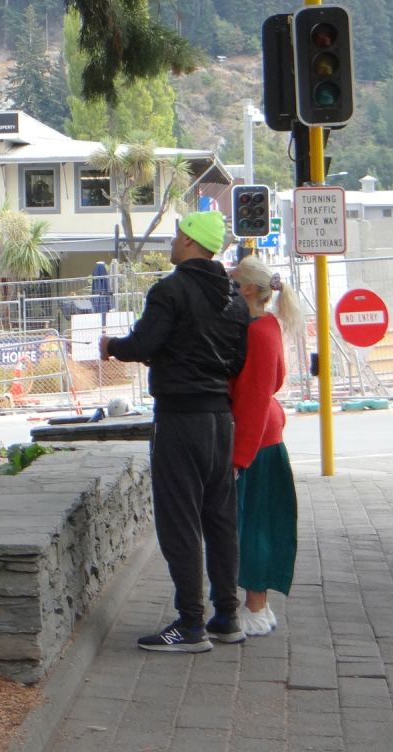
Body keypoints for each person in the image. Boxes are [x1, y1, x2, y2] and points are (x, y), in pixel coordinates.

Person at [100, 209, 248, 653]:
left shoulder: (170, 290)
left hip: (180, 419)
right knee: (220, 519)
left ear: (189, 242)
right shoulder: (235, 299)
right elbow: (236, 362)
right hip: (220, 420)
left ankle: (189, 625)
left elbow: (143, 344)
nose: (172, 240)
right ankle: (227, 615)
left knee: (179, 520)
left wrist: (112, 347)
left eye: (177, 234)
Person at [226, 255, 301, 637]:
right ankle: (260, 604)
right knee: (264, 522)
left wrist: (240, 456)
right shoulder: (268, 326)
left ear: (250, 289)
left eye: (234, 281)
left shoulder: (255, 332)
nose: (229, 286)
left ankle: (254, 606)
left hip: (255, 441)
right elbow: (273, 382)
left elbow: (254, 396)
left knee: (252, 525)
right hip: (267, 435)